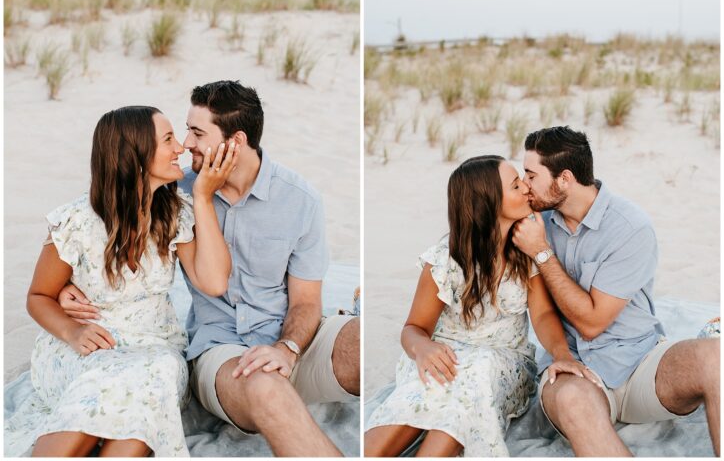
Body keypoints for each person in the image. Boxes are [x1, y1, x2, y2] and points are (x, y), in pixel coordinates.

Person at [6, 105, 236, 458]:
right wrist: (73, 331)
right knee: (115, 385)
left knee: (151, 378)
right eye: (169, 139)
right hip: (86, 349)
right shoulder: (77, 222)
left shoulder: (177, 213)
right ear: (136, 156)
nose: (180, 148)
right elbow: (38, 297)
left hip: (156, 348)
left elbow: (215, 281)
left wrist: (204, 196)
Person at [364, 155, 602, 457]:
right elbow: (414, 328)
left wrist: (562, 354)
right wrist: (423, 349)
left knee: (474, 376)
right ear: (489, 204)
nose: (527, 189)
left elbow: (542, 315)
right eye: (516, 186)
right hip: (445, 353)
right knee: (420, 397)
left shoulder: (525, 252)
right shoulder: (445, 258)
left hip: (502, 359)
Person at [512, 126, 721, 457]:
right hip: (576, 371)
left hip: (641, 364)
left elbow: (592, 323)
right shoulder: (537, 223)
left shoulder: (629, 227)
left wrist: (542, 254)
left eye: (530, 174)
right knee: (571, 400)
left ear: (563, 179)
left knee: (716, 356)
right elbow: (542, 310)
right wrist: (562, 356)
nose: (524, 185)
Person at [181, 80, 359, 456]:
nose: (185, 144)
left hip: (290, 344)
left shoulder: (300, 200)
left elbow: (307, 301)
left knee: (362, 337)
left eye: (197, 133)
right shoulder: (178, 193)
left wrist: (288, 348)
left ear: (236, 141)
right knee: (263, 384)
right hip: (221, 352)